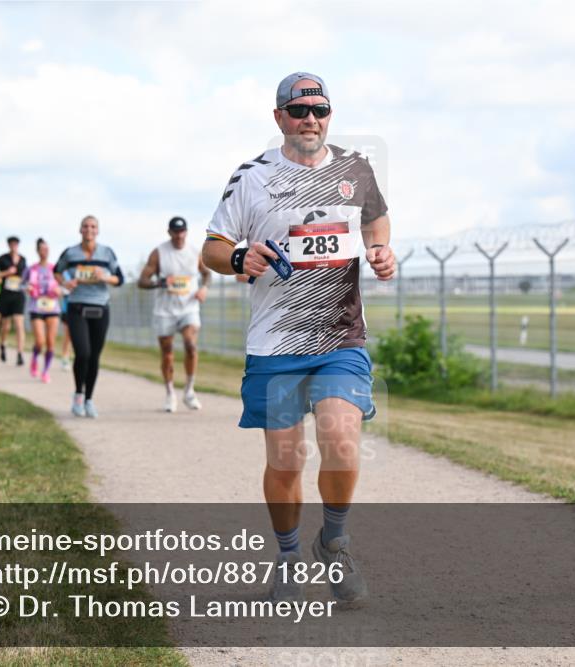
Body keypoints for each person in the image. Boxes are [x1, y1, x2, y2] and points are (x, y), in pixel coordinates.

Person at [202, 72, 396, 603]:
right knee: (286, 460)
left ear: (329, 115)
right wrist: (241, 256)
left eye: (319, 110)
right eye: (298, 110)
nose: (310, 119)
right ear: (279, 118)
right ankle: (288, 554)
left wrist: (380, 250)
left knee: (340, 438)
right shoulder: (253, 178)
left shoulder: (355, 169)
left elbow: (376, 221)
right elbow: (213, 249)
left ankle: (333, 541)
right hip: (275, 345)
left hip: (340, 338)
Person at [138, 216, 212, 412]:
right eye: (175, 232)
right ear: (169, 232)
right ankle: (170, 393)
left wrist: (204, 288)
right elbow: (142, 280)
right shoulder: (159, 253)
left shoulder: (195, 252)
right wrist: (159, 283)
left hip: (189, 308)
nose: (179, 236)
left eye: (182, 232)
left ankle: (189, 390)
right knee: (168, 353)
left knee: (190, 346)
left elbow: (207, 274)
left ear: (186, 232)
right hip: (165, 311)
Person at [54, 215, 124, 418]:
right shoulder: (71, 253)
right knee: (82, 353)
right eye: (85, 226)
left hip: (100, 307)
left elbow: (119, 278)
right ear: (80, 229)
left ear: (98, 230)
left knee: (94, 356)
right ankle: (78, 394)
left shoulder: (107, 253)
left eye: (93, 226)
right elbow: (56, 271)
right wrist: (65, 283)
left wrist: (105, 277)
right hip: (77, 306)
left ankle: (89, 399)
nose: (89, 229)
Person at [24, 238, 62, 383]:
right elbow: (21, 284)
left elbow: (64, 285)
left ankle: (45, 371)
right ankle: (34, 357)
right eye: (42, 249)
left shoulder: (55, 269)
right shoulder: (31, 269)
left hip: (53, 307)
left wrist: (60, 289)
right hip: (37, 307)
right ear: (37, 251)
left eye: (47, 249)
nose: (44, 252)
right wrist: (27, 288)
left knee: (51, 342)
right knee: (40, 341)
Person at [0, 236, 27, 366]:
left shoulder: (23, 259)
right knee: (6, 326)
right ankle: (2, 344)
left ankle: (20, 354)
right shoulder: (2, 259)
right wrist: (6, 273)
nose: (14, 246)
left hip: (18, 294)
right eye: (11, 244)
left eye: (16, 244)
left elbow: (26, 276)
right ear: (8, 245)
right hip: (5, 295)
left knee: (19, 324)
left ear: (18, 245)